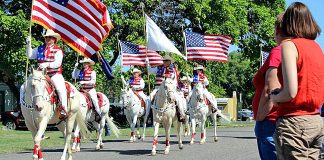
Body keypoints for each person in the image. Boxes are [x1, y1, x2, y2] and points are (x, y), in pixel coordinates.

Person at [270, 2, 324, 159]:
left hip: (294, 123)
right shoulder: (316, 47)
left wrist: (275, 97)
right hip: (315, 121)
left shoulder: (289, 46)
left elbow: (291, 92)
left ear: (289, 22)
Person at [252, 13, 284, 160]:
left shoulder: (278, 51)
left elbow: (271, 87)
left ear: (277, 30)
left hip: (269, 121)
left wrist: (260, 116)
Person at [26, 29, 68, 119]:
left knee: (60, 89)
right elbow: (29, 55)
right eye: (46, 37)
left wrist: (47, 64)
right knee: (26, 85)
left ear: (54, 39)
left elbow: (57, 64)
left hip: (54, 74)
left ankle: (64, 108)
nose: (48, 39)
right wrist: (28, 44)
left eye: (50, 37)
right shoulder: (39, 48)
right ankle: (25, 105)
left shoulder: (58, 50)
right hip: (41, 75)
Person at [148, 54, 185, 122]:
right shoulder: (159, 68)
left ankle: (181, 114)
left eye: (166, 61)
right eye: (164, 61)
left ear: (170, 62)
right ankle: (148, 115)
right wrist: (147, 63)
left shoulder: (173, 70)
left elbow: (174, 80)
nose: (164, 62)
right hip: (158, 88)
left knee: (179, 99)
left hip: (170, 89)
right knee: (149, 98)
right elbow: (150, 71)